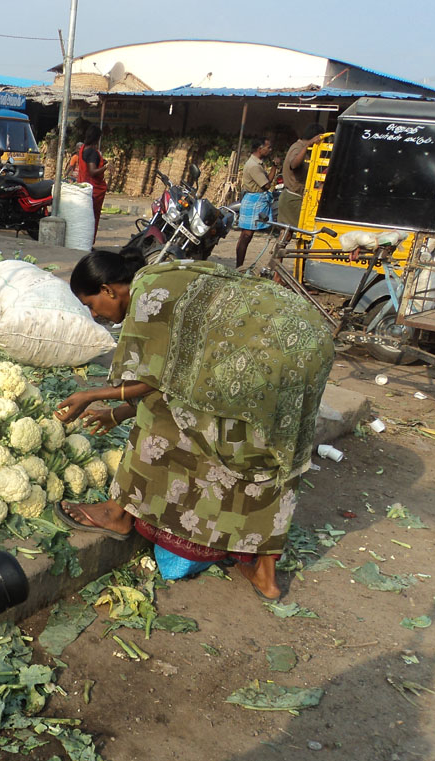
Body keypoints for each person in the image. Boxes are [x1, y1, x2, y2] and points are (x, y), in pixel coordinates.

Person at [54, 250, 334, 599]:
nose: (96, 316)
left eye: (92, 305)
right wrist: (116, 413)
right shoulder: (172, 272)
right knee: (269, 447)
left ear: (109, 290)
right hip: (308, 340)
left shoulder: (147, 296)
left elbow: (155, 382)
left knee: (159, 423)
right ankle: (265, 574)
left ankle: (118, 512)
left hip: (267, 355)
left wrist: (93, 395)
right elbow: (180, 376)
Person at [234, 138, 275, 268]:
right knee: (246, 236)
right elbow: (267, 185)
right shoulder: (254, 166)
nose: (270, 150)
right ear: (259, 149)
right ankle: (239, 266)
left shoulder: (257, 163)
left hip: (254, 199)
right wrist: (275, 167)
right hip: (254, 201)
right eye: (268, 147)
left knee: (246, 236)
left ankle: (239, 266)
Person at [277, 124, 324, 227]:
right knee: (301, 229)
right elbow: (294, 164)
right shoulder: (298, 148)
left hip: (296, 196)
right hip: (293, 197)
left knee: (288, 232)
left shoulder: (307, 149)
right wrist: (308, 145)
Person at [77, 124, 110, 243]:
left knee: (85, 218)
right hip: (94, 190)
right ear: (97, 138)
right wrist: (106, 167)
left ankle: (83, 242)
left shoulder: (83, 149)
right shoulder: (92, 152)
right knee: (92, 218)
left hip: (83, 186)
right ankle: (88, 243)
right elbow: (93, 171)